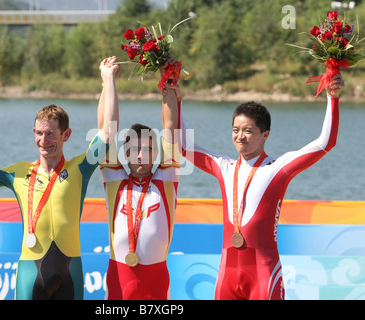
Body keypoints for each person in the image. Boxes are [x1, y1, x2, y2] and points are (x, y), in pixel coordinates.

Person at [0, 56, 120, 300]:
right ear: (33, 132)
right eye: (39, 133)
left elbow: (108, 133)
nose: (43, 141)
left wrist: (108, 80)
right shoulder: (18, 172)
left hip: (70, 270)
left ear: (66, 135)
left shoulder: (81, 167)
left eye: (51, 134)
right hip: (29, 270)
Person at [178, 74, 344, 300]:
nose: (240, 137)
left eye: (247, 131)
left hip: (264, 274)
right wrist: (175, 101)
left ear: (265, 134)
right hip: (226, 274)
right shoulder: (223, 166)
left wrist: (332, 98)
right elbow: (182, 146)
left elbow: (326, 142)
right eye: (235, 130)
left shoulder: (278, 167)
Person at [99, 61, 181, 299]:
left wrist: (167, 79)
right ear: (125, 154)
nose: (141, 155)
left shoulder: (167, 178)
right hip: (118, 277)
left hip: (155, 282)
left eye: (147, 149)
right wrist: (108, 82)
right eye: (134, 149)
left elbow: (170, 127)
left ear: (157, 154)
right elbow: (105, 128)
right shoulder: (114, 178)